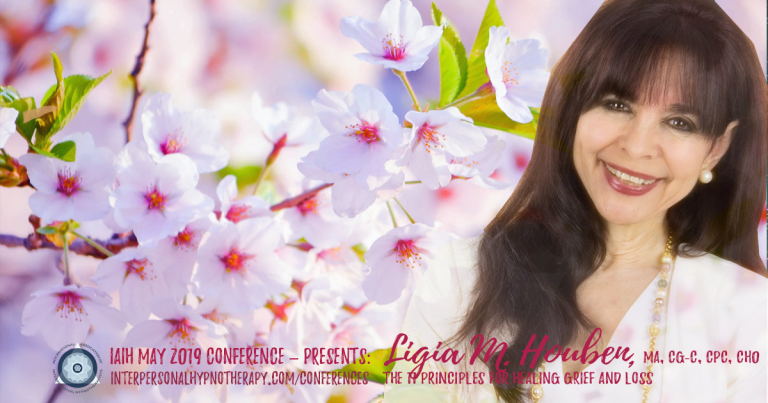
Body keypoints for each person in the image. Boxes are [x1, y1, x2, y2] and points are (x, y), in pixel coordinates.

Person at [383, 0, 768, 402]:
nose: (637, 147)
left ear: (716, 149)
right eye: (616, 104)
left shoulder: (747, 314)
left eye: (679, 123)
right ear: (572, 108)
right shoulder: (459, 278)